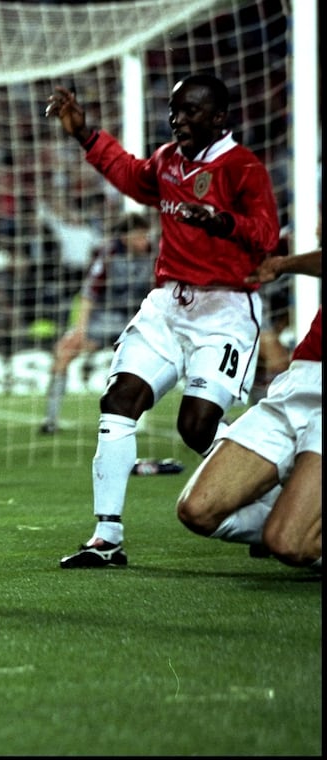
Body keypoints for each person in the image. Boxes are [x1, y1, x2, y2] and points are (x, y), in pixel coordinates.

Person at [45, 73, 279, 568]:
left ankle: (271, 495)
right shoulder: (169, 159)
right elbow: (133, 177)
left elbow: (267, 236)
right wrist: (87, 135)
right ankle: (106, 537)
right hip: (168, 305)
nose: (179, 120)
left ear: (220, 117)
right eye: (175, 110)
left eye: (191, 111)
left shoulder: (243, 168)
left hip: (225, 309)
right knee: (118, 399)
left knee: (196, 428)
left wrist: (223, 222)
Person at [176, 249, 321, 570]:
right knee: (198, 510)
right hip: (302, 379)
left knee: (288, 543)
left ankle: (298, 525)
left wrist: (286, 264)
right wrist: (282, 265)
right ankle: (298, 513)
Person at [40, 211, 154, 434]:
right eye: (140, 235)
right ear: (125, 238)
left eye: (145, 235)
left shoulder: (155, 254)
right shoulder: (109, 254)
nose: (145, 240)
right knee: (64, 353)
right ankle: (50, 421)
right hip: (102, 318)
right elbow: (88, 295)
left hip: (135, 319)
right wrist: (81, 330)